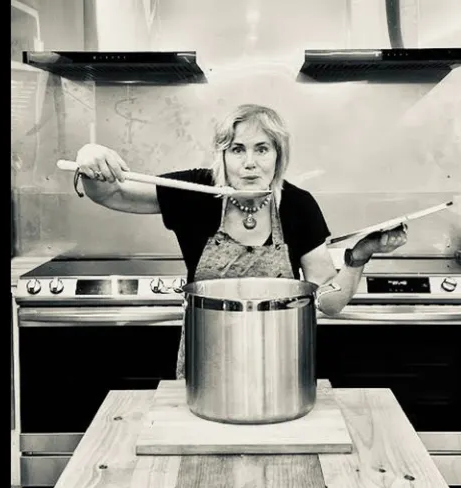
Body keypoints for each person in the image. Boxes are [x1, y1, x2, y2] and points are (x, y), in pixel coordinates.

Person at [72, 103, 408, 380]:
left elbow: (326, 303)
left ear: (279, 157)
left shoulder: (297, 205)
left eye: (262, 149)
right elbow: (112, 193)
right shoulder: (195, 193)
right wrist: (89, 158)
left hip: (280, 368)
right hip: (204, 365)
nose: (250, 162)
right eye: (237, 149)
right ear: (222, 156)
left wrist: (358, 257)